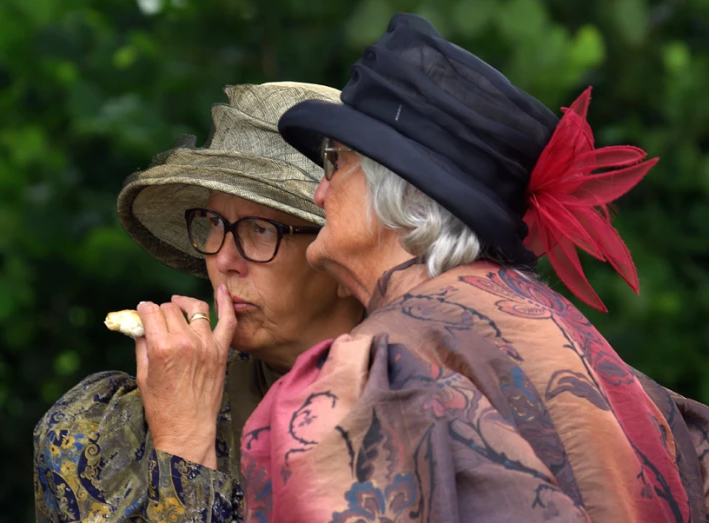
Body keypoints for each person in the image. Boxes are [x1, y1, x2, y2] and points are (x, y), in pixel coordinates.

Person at [239, 14, 709, 523]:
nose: (319, 191)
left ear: (392, 186)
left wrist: (184, 455)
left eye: (335, 161)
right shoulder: (571, 338)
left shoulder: (376, 366)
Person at [33, 82, 363, 522]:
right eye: (212, 223)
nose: (222, 259)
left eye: (260, 229)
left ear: (341, 257)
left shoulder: (424, 413)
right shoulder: (110, 432)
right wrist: (182, 437)